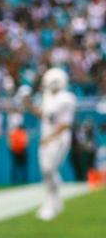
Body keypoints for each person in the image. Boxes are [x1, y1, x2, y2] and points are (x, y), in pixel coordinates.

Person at [34, 67, 76, 220]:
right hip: (47, 138)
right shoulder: (47, 97)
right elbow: (45, 116)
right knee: (46, 171)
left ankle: (52, 202)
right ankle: (55, 200)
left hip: (58, 139)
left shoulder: (67, 98)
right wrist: (28, 105)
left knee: (49, 168)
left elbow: (65, 124)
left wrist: (49, 138)